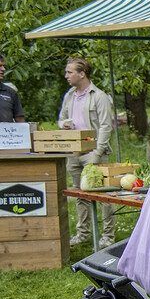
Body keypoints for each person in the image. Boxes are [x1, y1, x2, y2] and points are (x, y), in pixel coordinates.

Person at [58, 57, 116, 248]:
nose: (66, 75)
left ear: (82, 74)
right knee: (80, 194)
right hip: (74, 152)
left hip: (94, 152)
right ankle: (83, 233)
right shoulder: (70, 95)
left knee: (103, 196)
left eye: (70, 72)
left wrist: (98, 153)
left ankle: (108, 236)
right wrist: (63, 124)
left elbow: (107, 127)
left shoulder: (99, 96)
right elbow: (61, 119)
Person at [0, 54, 25, 122]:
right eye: (0, 66)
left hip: (6, 132)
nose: (3, 69)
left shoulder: (10, 92)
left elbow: (20, 119)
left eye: (3, 66)